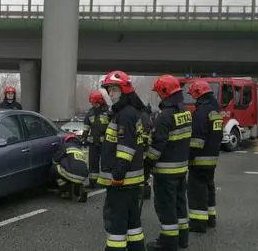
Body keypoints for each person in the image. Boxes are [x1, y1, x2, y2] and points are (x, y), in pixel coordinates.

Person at [96, 70, 146, 251]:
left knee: (116, 222)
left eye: (114, 89)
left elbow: (126, 148)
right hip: (131, 180)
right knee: (132, 222)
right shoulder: (129, 112)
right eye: (109, 90)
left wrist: (117, 174)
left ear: (124, 90)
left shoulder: (125, 114)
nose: (110, 94)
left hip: (123, 180)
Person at [145, 74, 191, 251]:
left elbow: (157, 146)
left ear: (165, 92)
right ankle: (182, 238)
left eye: (158, 92)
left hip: (165, 172)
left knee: (166, 206)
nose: (158, 96)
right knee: (180, 204)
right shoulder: (185, 113)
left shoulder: (164, 116)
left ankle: (168, 242)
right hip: (181, 169)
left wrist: (148, 163)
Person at [186, 80, 223, 233]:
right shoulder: (215, 111)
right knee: (209, 187)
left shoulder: (202, 112)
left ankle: (198, 223)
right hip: (212, 158)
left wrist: (189, 157)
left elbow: (196, 140)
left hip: (200, 159)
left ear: (198, 94)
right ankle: (210, 218)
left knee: (196, 189)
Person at [81, 90, 109, 188]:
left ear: (100, 101)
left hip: (106, 142)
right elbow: (86, 127)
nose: (93, 104)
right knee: (93, 163)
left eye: (95, 103)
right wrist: (84, 137)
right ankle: (93, 182)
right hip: (93, 143)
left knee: (106, 163)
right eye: (92, 103)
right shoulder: (90, 112)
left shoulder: (108, 112)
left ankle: (106, 182)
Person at [52, 133, 89, 202]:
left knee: (55, 168)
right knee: (73, 173)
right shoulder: (80, 150)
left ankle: (65, 191)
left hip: (73, 174)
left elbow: (56, 159)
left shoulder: (65, 146)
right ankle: (78, 191)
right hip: (84, 176)